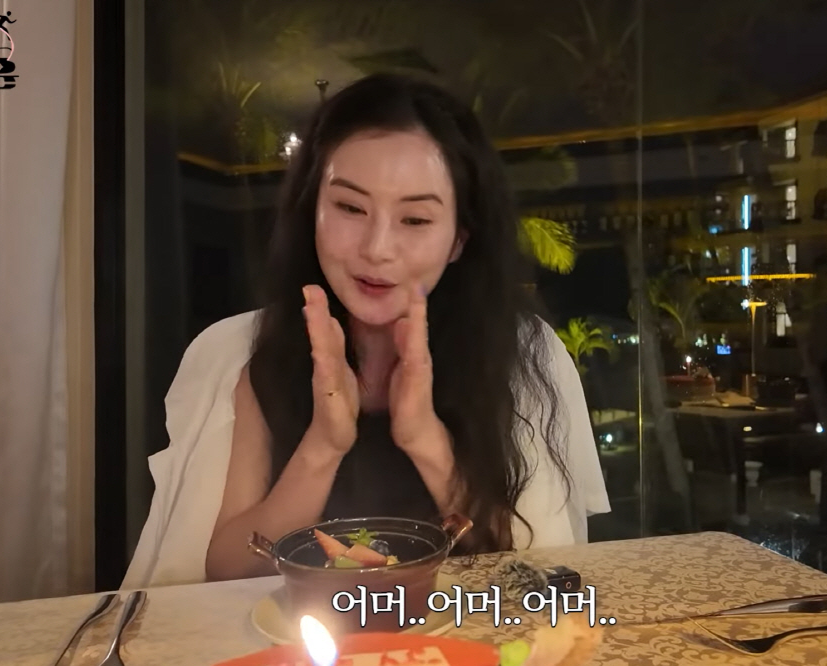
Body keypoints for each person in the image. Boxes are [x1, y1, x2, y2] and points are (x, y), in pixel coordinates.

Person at [122, 73, 611, 589]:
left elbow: (533, 574)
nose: (377, 248)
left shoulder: (517, 355)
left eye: (415, 220)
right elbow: (226, 569)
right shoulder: (256, 354)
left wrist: (424, 438)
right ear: (312, 212)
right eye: (350, 208)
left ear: (458, 240)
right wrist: (323, 446)